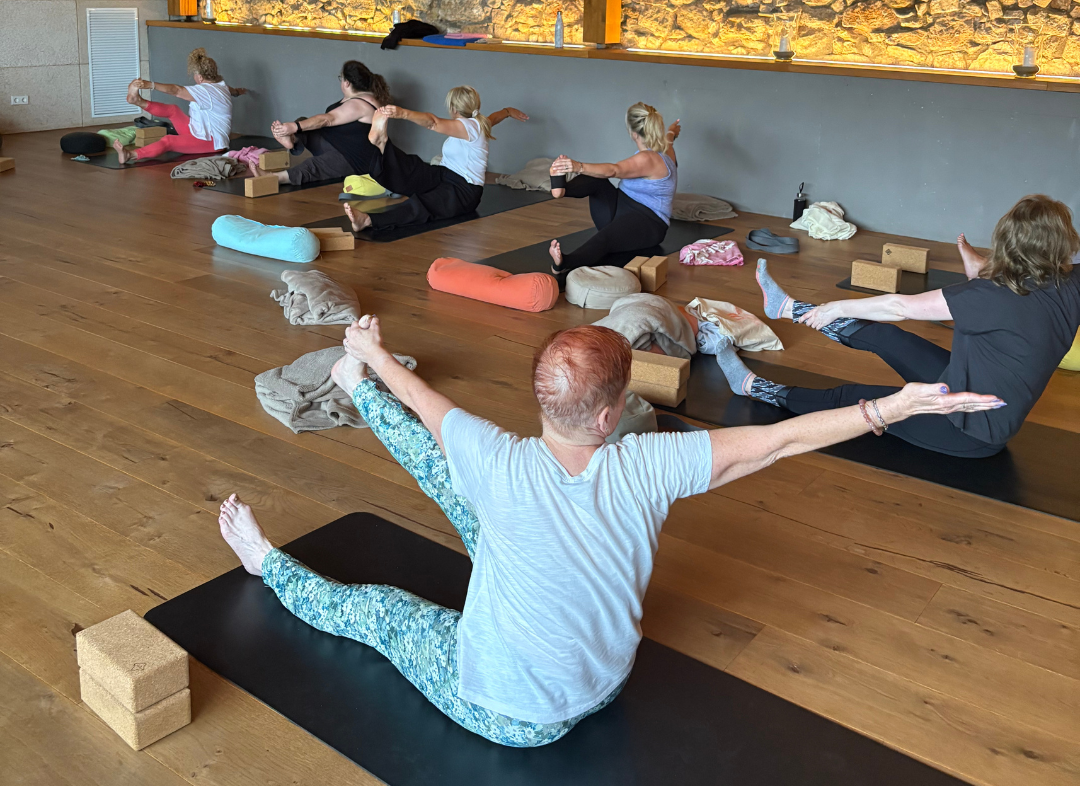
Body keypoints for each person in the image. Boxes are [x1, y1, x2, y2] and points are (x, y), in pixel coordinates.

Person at [218, 317, 1000, 747]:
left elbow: (428, 401)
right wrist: (888, 410)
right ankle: (355, 387)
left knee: (383, 610)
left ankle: (266, 564)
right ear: (607, 416)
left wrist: (374, 352)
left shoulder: (499, 454)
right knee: (450, 480)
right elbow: (779, 440)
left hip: (514, 716)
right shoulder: (646, 465)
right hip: (603, 683)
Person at [712, 194, 1080, 458]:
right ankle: (791, 309)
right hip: (970, 385)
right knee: (891, 339)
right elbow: (1023, 273)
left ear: (1007, 242)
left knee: (852, 397)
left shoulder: (985, 297)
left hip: (968, 431)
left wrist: (836, 305)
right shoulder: (1071, 282)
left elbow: (898, 305)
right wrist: (977, 264)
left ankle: (756, 388)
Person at [340, 86, 528, 235]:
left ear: (453, 108)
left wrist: (402, 113)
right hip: (444, 174)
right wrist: (508, 111)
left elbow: (433, 122)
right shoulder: (480, 123)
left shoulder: (471, 127)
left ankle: (367, 220)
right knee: (412, 168)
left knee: (422, 205)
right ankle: (382, 144)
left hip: (463, 191)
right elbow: (494, 117)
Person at [547, 102, 679, 275]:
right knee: (596, 179)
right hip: (620, 208)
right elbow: (669, 140)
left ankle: (564, 263)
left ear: (633, 133)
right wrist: (672, 132)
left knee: (605, 239)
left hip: (648, 224)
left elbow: (614, 170)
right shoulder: (666, 149)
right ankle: (562, 189)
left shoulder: (648, 159)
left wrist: (577, 166)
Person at [266, 61, 391, 187]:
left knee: (313, 165)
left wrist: (294, 127)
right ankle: (292, 140)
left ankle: (275, 178)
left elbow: (327, 119)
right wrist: (295, 129)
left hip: (352, 159)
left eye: (341, 79)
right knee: (304, 122)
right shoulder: (356, 97)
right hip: (337, 145)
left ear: (347, 83)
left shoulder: (359, 105)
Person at [113, 48, 246, 165]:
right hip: (200, 132)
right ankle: (138, 101)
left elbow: (176, 90)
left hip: (212, 142)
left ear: (199, 77)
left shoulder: (205, 91)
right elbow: (232, 91)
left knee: (168, 141)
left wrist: (150, 85)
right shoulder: (221, 87)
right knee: (173, 111)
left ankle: (130, 155)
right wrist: (238, 92)